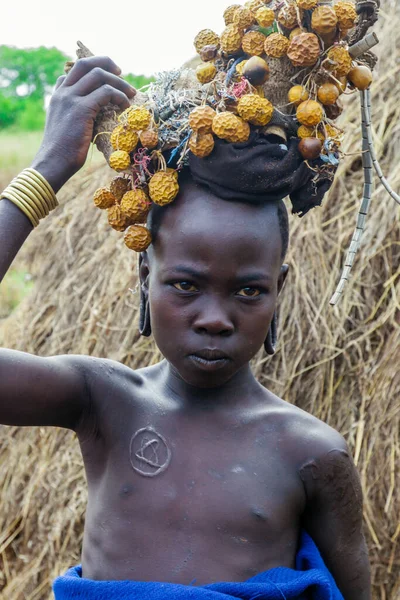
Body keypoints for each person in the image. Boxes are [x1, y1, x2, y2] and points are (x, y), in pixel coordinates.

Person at [0, 56, 371, 600]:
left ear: (279, 290)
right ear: (145, 275)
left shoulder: (312, 454)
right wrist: (46, 171)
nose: (216, 320)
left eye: (248, 290)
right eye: (185, 286)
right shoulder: (102, 401)